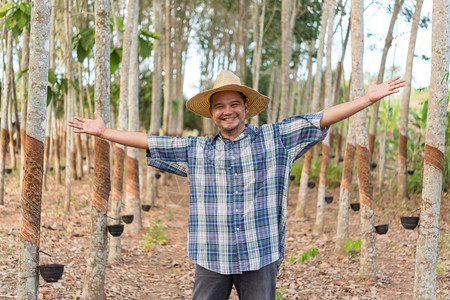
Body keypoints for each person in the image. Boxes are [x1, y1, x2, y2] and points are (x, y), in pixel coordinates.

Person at [69, 70, 405, 299]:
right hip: (211, 257)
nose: (227, 111)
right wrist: (103, 132)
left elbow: (321, 117)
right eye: (219, 106)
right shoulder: (196, 150)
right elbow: (149, 141)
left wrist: (368, 99)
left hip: (260, 256)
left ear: (246, 107)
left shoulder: (277, 140)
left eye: (233, 104)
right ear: (211, 114)